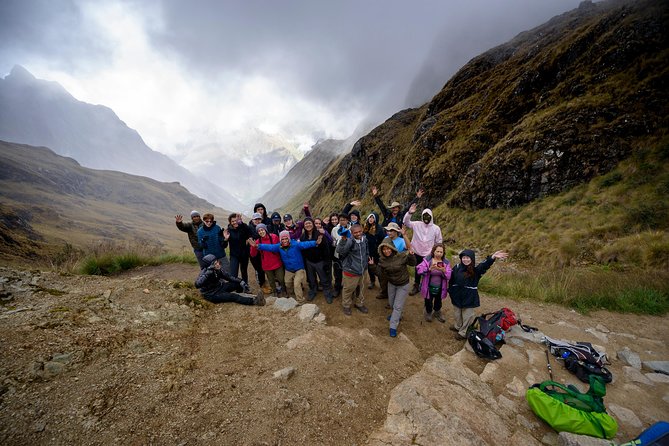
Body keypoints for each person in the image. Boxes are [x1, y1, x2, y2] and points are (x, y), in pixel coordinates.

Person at [249, 230, 323, 304]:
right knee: (287, 283)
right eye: (282, 239)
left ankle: (300, 301)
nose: (284, 241)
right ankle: (292, 294)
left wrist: (315, 242)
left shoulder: (296, 244)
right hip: (289, 269)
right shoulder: (279, 246)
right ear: (280, 240)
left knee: (296, 284)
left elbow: (305, 244)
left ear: (289, 239)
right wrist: (257, 246)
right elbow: (269, 247)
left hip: (299, 269)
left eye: (286, 238)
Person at [448, 249, 509, 340]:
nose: (465, 260)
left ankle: (463, 332)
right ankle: (458, 326)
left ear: (472, 259)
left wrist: (492, 257)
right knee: (457, 314)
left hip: (469, 297)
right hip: (457, 295)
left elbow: (484, 265)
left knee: (467, 316)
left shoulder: (476, 270)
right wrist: (450, 290)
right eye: (463, 257)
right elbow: (451, 280)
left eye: (468, 258)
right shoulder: (456, 267)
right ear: (461, 258)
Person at [376, 229, 415, 337]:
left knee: (397, 306)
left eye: (388, 249)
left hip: (403, 284)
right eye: (384, 249)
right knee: (392, 303)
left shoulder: (401, 256)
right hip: (392, 284)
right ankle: (398, 315)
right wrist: (372, 266)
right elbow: (379, 273)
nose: (386, 251)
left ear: (392, 248)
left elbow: (412, 263)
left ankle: (393, 326)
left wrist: (411, 255)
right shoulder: (382, 260)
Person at [403, 203, 443, 296]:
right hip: (416, 252)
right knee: (417, 269)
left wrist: (436, 253)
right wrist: (409, 213)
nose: (426, 218)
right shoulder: (417, 224)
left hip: (428, 254)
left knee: (428, 270)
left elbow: (439, 241)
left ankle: (426, 286)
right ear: (422, 216)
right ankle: (416, 286)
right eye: (424, 216)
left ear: (431, 217)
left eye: (428, 216)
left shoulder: (436, 228)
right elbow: (406, 222)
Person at [195, 254, 264, 305]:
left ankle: (242, 294)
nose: (218, 264)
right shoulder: (205, 273)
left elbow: (229, 277)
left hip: (220, 287)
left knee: (237, 284)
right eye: (215, 263)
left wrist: (241, 281)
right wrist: (208, 273)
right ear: (209, 266)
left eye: (217, 262)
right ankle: (254, 301)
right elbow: (197, 284)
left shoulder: (218, 269)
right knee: (232, 296)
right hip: (211, 294)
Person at [336, 223, 371, 316]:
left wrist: (367, 260)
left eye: (360, 231)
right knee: (348, 289)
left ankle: (359, 304)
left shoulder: (365, 239)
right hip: (351, 270)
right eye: (355, 233)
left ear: (362, 230)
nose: (358, 234)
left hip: (363, 269)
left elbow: (366, 251)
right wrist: (343, 240)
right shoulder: (349, 241)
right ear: (351, 233)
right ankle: (346, 305)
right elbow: (340, 251)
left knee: (363, 288)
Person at [300, 217, 335, 303]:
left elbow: (326, 249)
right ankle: (313, 291)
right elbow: (303, 250)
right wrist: (305, 262)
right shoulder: (303, 237)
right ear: (304, 226)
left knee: (324, 278)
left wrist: (326, 262)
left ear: (313, 224)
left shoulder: (320, 234)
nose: (308, 225)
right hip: (309, 261)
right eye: (306, 224)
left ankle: (327, 293)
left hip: (320, 261)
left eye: (309, 223)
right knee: (311, 279)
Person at [416, 243, 452, 323]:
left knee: (438, 301)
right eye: (437, 251)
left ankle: (437, 312)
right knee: (428, 301)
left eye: (441, 252)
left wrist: (444, 271)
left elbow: (449, 275)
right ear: (433, 251)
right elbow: (419, 269)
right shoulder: (427, 260)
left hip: (440, 287)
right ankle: (428, 312)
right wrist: (428, 269)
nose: (439, 254)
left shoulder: (446, 262)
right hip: (428, 286)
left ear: (443, 253)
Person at [249, 223, 286, 296]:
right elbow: (253, 254)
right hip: (266, 265)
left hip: (277, 263)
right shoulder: (257, 241)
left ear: (265, 230)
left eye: (262, 230)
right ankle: (275, 292)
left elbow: (279, 248)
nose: (261, 232)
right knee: (271, 281)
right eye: (259, 231)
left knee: (281, 279)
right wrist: (253, 247)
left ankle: (284, 290)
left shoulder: (274, 237)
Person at [376, 222, 407, 302]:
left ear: (396, 231)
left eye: (391, 230)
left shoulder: (401, 241)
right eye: (388, 230)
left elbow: (408, 248)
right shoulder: (386, 238)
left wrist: (404, 235)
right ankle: (385, 294)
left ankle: (393, 301)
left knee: (393, 283)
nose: (389, 232)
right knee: (384, 280)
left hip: (397, 266)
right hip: (386, 264)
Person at [223, 213, 252, 284]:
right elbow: (224, 245)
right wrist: (225, 239)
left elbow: (249, 232)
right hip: (234, 255)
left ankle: (245, 287)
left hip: (244, 254)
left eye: (236, 220)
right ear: (230, 222)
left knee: (244, 271)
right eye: (232, 221)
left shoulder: (243, 227)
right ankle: (235, 287)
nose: (234, 222)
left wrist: (241, 222)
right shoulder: (228, 231)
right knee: (233, 274)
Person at [363, 212, 385, 289]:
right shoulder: (365, 227)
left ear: (375, 219)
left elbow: (383, 239)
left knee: (378, 268)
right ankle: (372, 281)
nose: (371, 219)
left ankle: (381, 284)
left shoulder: (379, 228)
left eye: (372, 218)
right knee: (370, 267)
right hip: (368, 251)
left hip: (377, 252)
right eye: (370, 217)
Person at [330, 213, 350, 296]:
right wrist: (336, 243)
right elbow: (332, 241)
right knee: (337, 273)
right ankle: (337, 288)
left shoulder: (351, 229)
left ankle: (348, 290)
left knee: (348, 274)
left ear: (347, 220)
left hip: (348, 256)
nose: (342, 222)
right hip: (337, 255)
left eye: (344, 220)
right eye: (341, 220)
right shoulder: (335, 229)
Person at [248, 212, 269, 293]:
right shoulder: (249, 228)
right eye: (255, 219)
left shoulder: (264, 227)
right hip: (254, 252)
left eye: (259, 219)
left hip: (263, 251)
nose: (257, 221)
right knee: (259, 269)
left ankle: (264, 282)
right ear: (252, 220)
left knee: (264, 267)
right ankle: (262, 285)